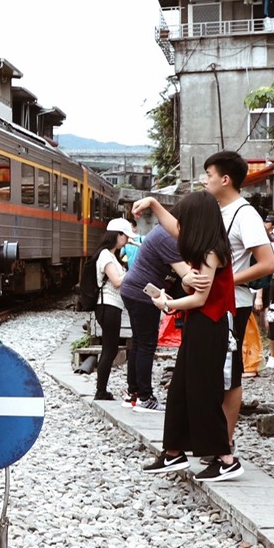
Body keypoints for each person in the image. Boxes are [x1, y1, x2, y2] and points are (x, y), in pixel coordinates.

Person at [137, 150, 274, 450]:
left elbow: (268, 264)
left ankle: (224, 444)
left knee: (229, 374)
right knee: (205, 376)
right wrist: (154, 204)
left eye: (209, 175)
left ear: (225, 179)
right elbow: (182, 232)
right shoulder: (214, 210)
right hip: (208, 302)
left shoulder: (244, 213)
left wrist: (222, 282)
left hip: (230, 305)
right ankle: (206, 445)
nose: (204, 180)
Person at [139, 190, 241, 482]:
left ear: (197, 220)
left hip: (209, 326)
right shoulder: (206, 246)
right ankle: (173, 452)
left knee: (203, 392)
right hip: (200, 326)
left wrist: (167, 303)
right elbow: (174, 227)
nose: (180, 225)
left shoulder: (211, 252)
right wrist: (154, 204)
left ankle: (226, 459)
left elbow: (200, 299)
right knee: (181, 390)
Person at [119, 220, 187, 410]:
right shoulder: (168, 236)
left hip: (133, 290)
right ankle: (145, 397)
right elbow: (186, 274)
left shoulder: (159, 232)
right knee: (147, 345)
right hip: (143, 294)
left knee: (139, 342)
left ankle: (133, 393)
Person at [91, 217, 133, 402]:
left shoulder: (112, 256)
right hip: (108, 306)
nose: (127, 239)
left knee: (110, 348)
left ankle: (102, 390)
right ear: (117, 235)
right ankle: (101, 391)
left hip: (112, 307)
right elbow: (116, 282)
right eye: (125, 235)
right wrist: (134, 272)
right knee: (109, 350)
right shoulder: (106, 256)